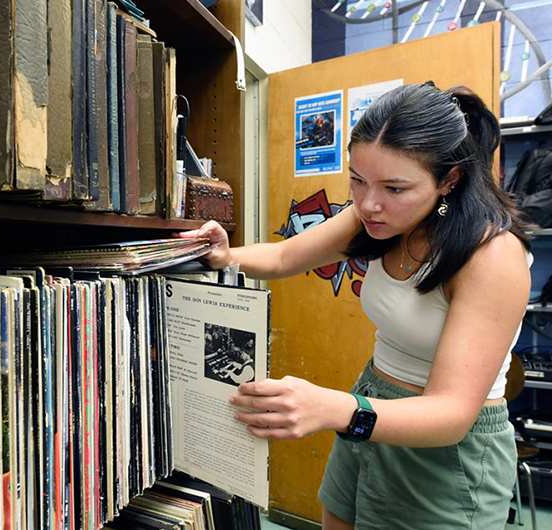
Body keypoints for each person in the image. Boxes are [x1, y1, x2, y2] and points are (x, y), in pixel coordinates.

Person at [180, 83, 532, 529]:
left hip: (443, 449)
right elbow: (287, 256)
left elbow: (452, 414)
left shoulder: (493, 256)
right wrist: (227, 256)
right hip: (369, 405)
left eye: (395, 187)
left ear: (450, 180)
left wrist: (333, 409)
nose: (368, 203)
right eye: (357, 179)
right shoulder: (377, 214)